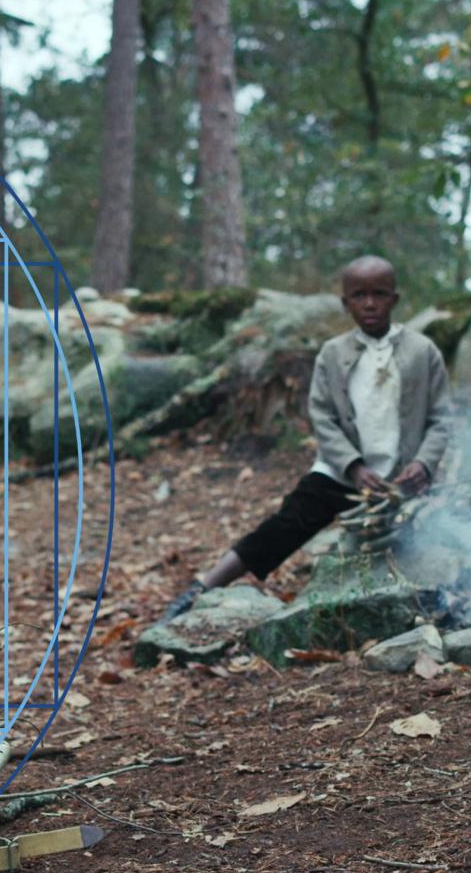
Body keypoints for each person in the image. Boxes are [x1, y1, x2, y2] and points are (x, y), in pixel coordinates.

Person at [163, 255, 453, 620]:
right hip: (343, 475)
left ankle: (431, 604)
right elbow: (323, 417)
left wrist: (423, 465)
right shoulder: (333, 354)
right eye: (359, 295)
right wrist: (353, 466)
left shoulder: (422, 352)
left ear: (394, 298)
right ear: (345, 302)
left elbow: (441, 419)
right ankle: (203, 587)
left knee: (429, 533)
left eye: (379, 294)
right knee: (287, 523)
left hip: (400, 480)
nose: (369, 303)